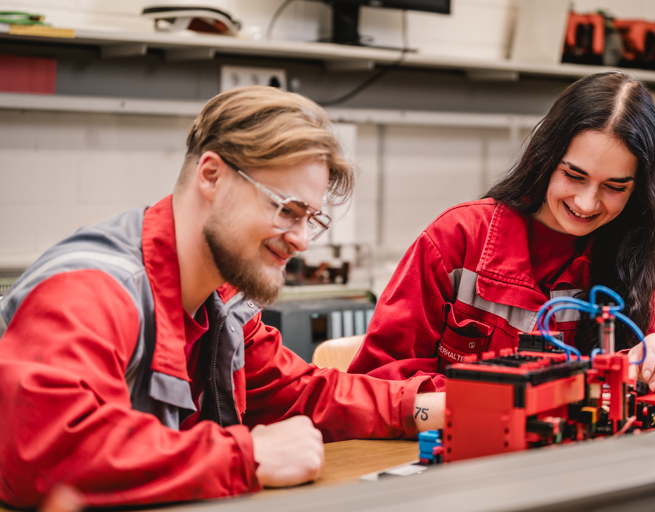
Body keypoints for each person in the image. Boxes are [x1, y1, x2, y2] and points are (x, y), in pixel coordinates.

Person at [0, 86, 444, 508]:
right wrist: (246, 456)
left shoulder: (223, 301)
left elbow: (300, 393)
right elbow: (47, 456)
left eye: (311, 218)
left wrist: (421, 408)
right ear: (211, 176)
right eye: (287, 209)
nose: (303, 239)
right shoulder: (91, 293)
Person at [348, 71, 655, 399]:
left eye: (614, 186)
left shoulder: (637, 258)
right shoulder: (457, 240)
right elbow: (379, 380)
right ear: (546, 158)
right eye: (574, 176)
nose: (587, 203)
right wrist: (500, 397)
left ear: (639, 190)